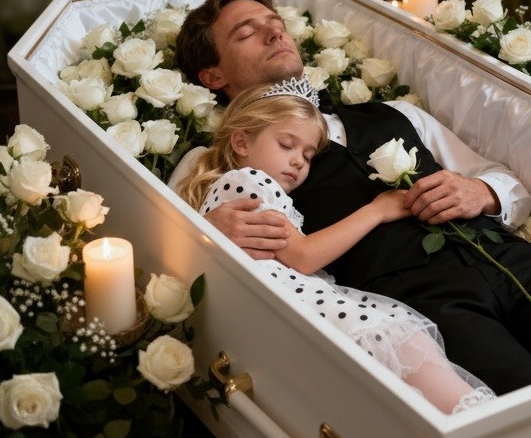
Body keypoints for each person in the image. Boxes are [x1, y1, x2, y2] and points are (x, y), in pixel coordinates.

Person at [172, 0, 531, 395]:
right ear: (213, 76)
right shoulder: (215, 157)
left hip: (517, 264)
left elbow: (507, 182)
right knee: (530, 413)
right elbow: (171, 249)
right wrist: (207, 231)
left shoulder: (397, 114)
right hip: (428, 305)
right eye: (247, 32)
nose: (274, 31)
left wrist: (480, 192)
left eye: (273, 21)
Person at [175, 80, 495, 415]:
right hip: (319, 311)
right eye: (287, 145)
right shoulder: (247, 182)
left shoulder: (227, 194)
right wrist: (378, 209)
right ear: (241, 140)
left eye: (307, 155)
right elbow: (303, 256)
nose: (299, 162)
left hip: (292, 317)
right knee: (425, 370)